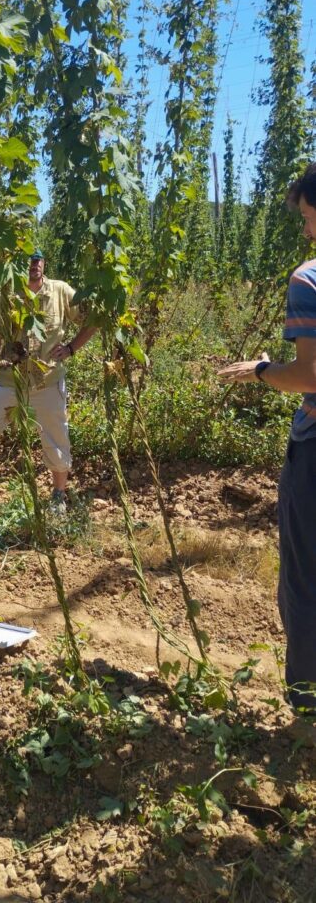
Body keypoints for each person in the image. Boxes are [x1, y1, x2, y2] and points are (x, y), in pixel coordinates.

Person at [218, 162, 316, 714]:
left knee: (304, 579)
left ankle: (306, 706)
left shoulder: (308, 279)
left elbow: (309, 376)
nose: (306, 229)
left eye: (306, 216)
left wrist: (261, 369)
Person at [0, 249, 97, 511]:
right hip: (11, 380)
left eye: (38, 260)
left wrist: (72, 348)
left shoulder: (61, 291)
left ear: (44, 263)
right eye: (29, 261)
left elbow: (94, 319)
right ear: (20, 264)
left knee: (56, 437)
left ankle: (57, 497)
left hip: (47, 382)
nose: (34, 265)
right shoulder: (8, 294)